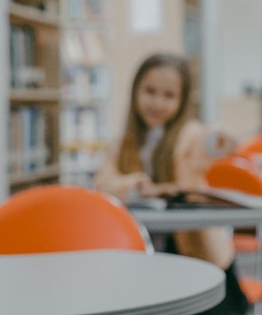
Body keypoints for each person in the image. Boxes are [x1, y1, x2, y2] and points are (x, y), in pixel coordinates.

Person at [95, 53, 250, 315]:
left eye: (169, 95)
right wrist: (134, 186)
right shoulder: (124, 143)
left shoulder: (187, 135)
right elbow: (103, 183)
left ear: (182, 101)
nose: (157, 102)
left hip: (195, 251)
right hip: (143, 254)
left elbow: (204, 143)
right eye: (150, 91)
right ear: (135, 92)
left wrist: (216, 141)